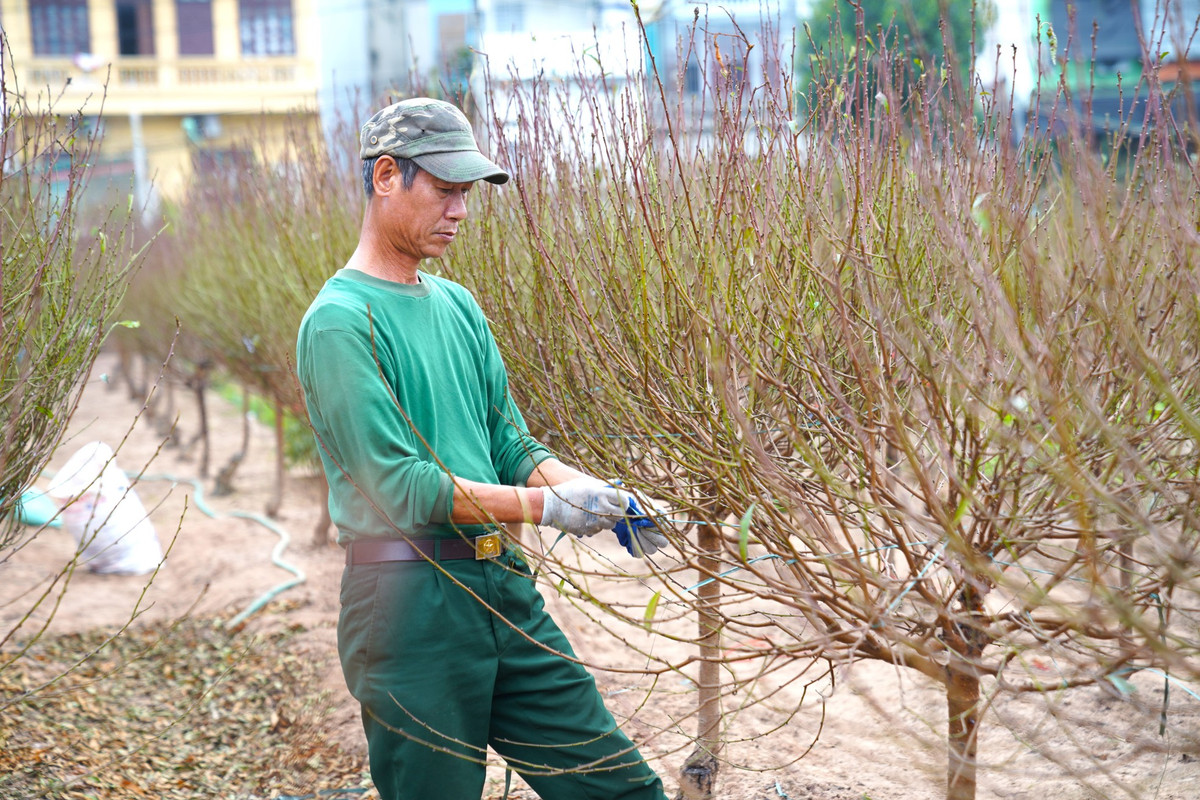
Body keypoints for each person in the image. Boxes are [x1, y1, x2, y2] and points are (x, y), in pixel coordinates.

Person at [296, 97, 670, 800]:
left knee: (619, 789)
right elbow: (398, 487)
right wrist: (544, 506)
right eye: (444, 191)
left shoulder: (459, 305)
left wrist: (593, 491)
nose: (459, 211)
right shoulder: (340, 324)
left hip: (501, 586)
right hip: (408, 606)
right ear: (385, 177)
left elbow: (507, 438)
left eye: (466, 194)